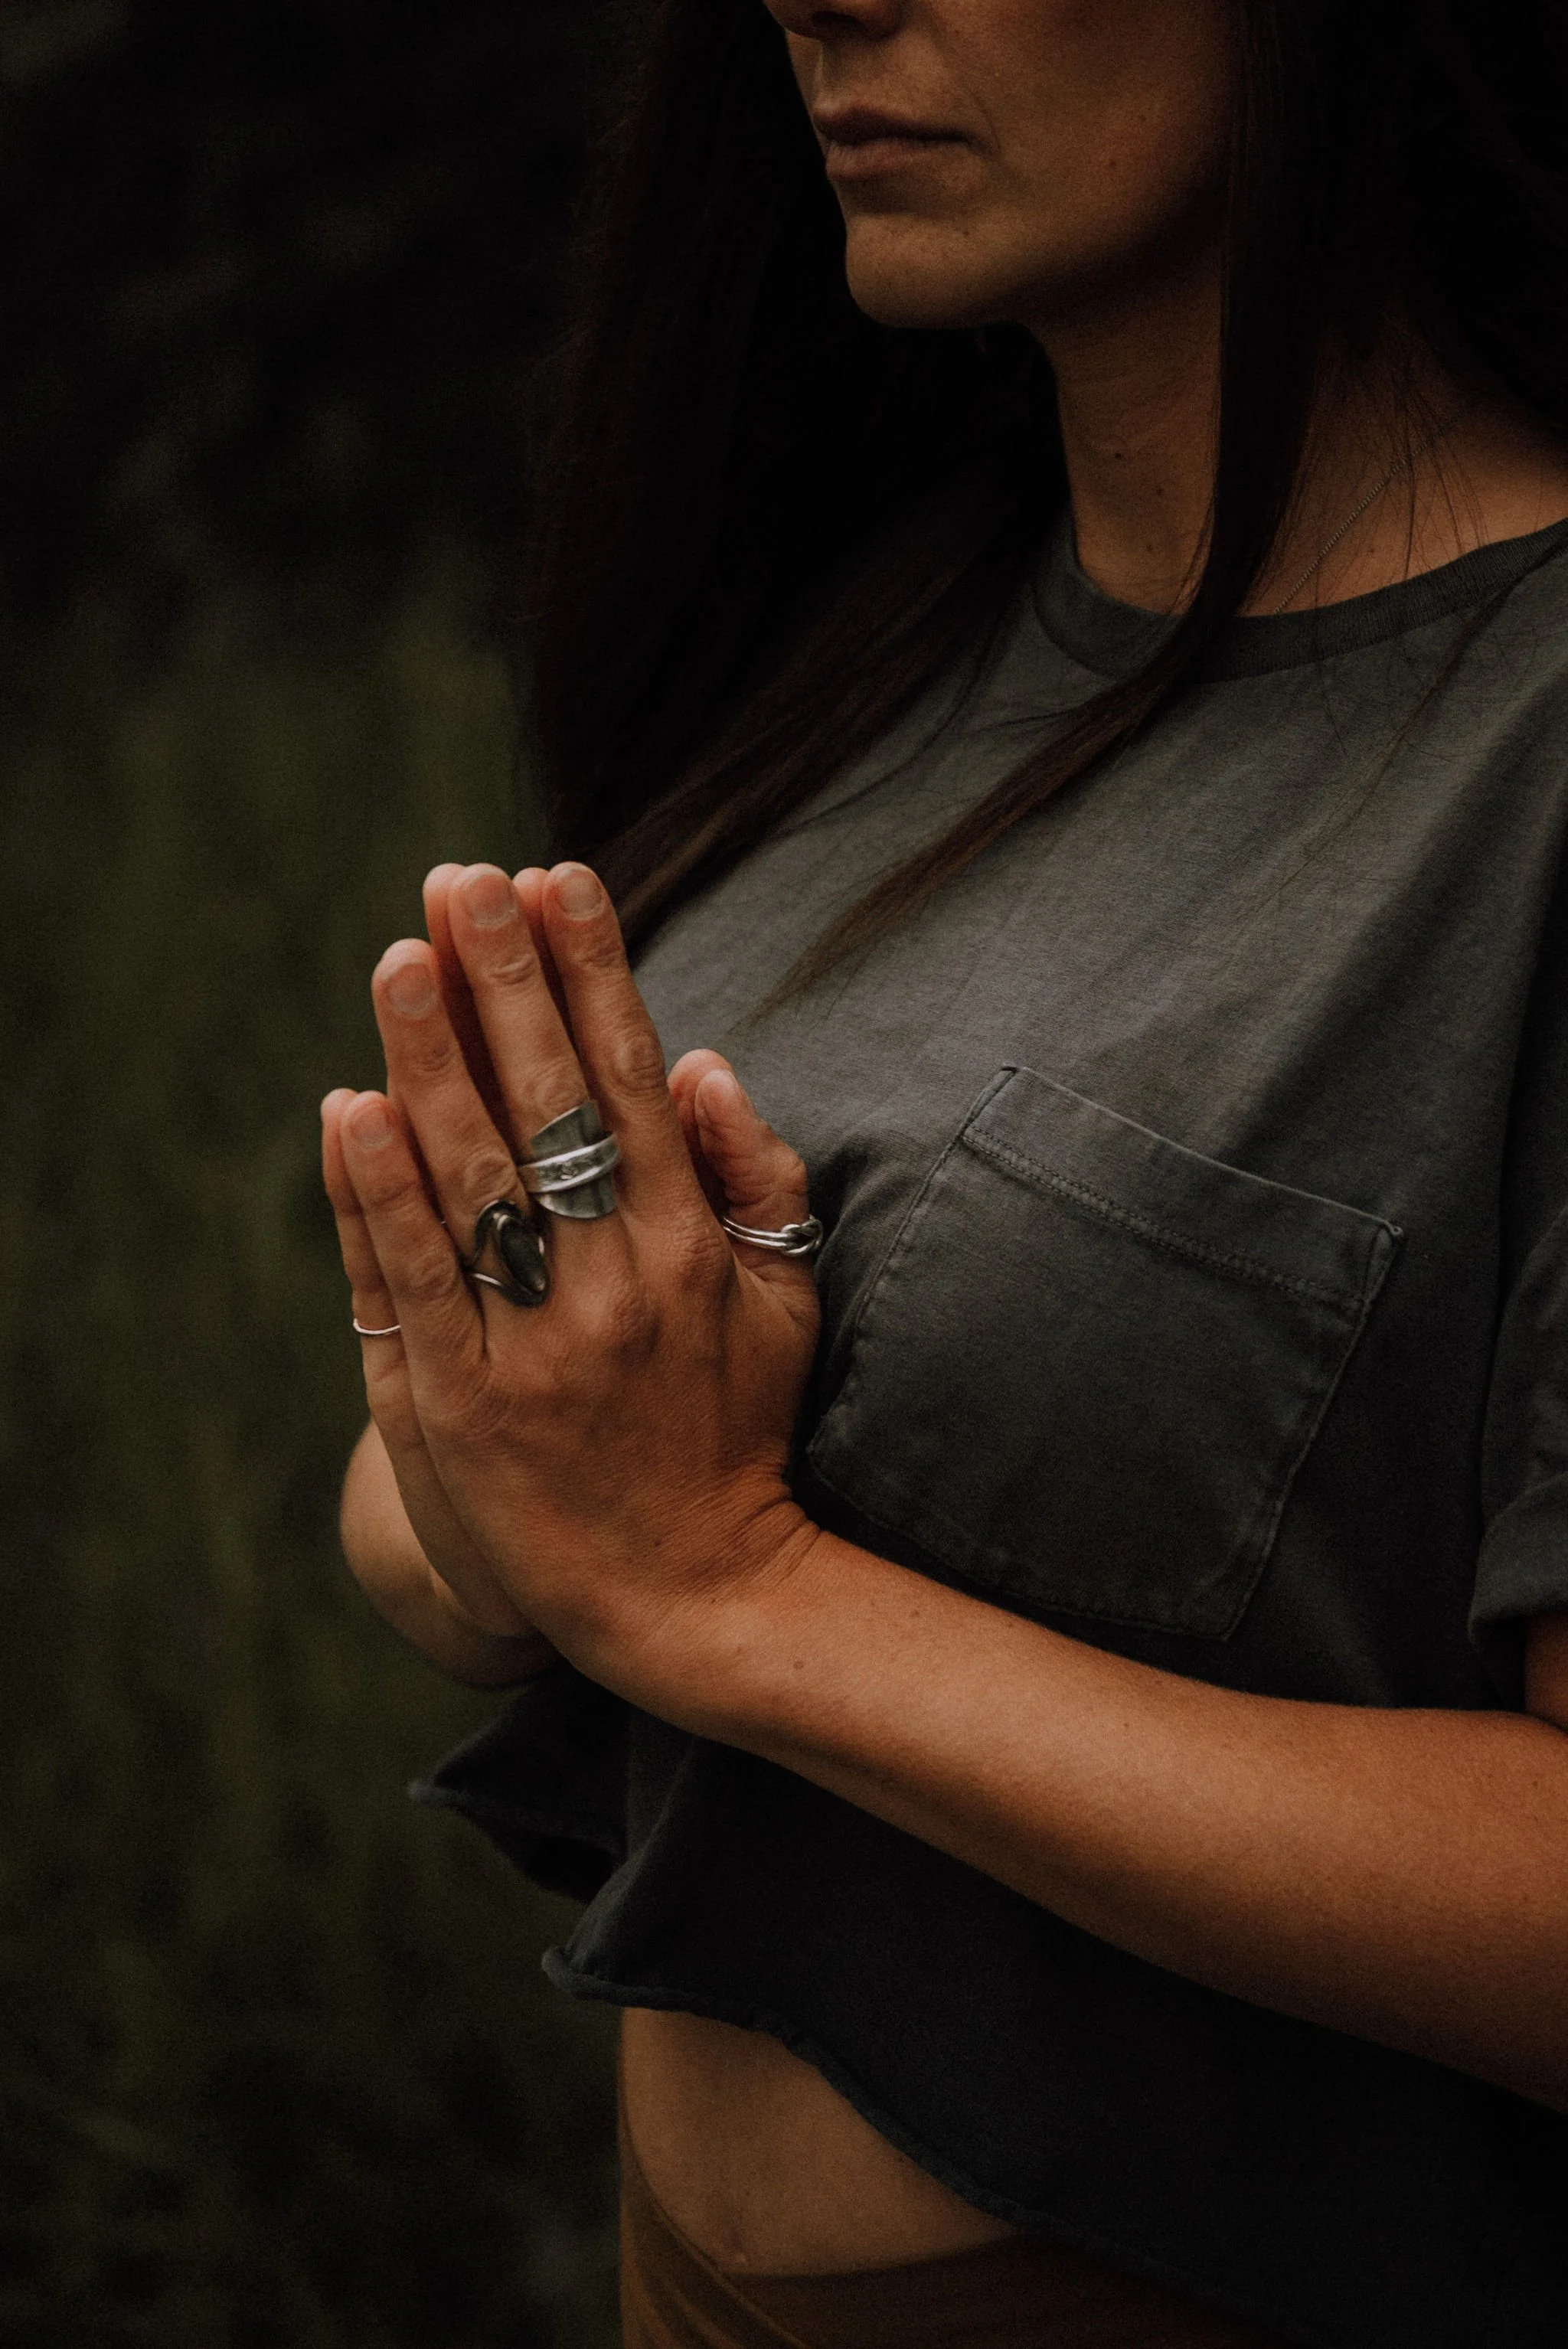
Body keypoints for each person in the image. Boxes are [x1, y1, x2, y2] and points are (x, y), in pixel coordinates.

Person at [321, 2, 1568, 2342]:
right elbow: (437, 1535)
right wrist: (545, 1482)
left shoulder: (1526, 766)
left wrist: (731, 1587)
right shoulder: (874, 637)